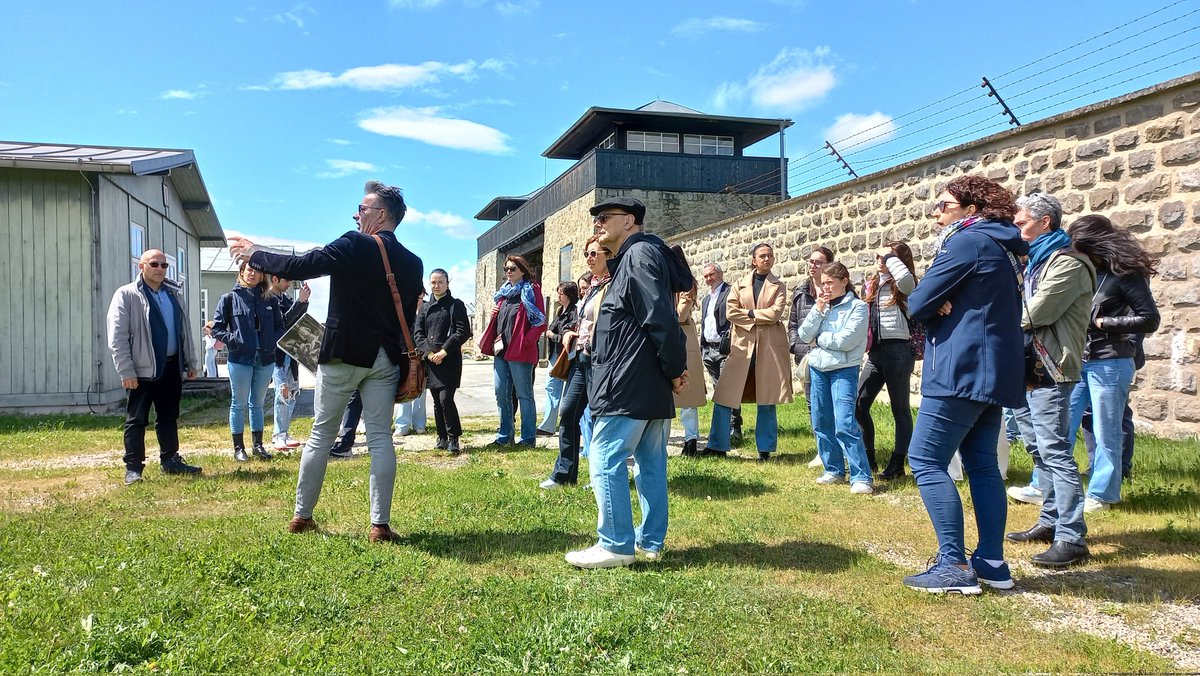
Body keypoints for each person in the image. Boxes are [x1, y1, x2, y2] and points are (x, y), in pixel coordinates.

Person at [229, 179, 423, 543]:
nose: (356, 214)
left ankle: (302, 517)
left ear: (380, 214)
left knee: (321, 435)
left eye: (362, 209)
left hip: (343, 354)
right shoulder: (414, 262)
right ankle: (379, 526)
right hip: (385, 358)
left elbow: (301, 265)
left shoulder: (354, 243)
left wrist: (255, 252)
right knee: (381, 438)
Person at [901, 175, 1028, 594]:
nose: (935, 213)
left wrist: (936, 301)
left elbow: (918, 303)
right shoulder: (1004, 244)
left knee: (925, 460)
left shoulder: (966, 242)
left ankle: (953, 564)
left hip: (961, 367)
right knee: (982, 465)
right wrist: (941, 299)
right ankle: (992, 562)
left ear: (970, 210)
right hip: (994, 370)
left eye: (943, 206)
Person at [565, 197, 690, 568]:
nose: (597, 224)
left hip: (630, 381)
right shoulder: (640, 256)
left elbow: (660, 317)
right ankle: (649, 541)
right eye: (596, 219)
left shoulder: (637, 256)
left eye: (605, 218)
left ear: (630, 221)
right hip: (645, 380)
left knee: (605, 457)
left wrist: (674, 368)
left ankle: (616, 544)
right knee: (650, 461)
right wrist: (672, 369)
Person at [1003, 193, 1096, 568]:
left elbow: (1035, 312)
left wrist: (994, 321)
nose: (1016, 229)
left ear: (1044, 222)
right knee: (1038, 449)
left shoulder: (1068, 263)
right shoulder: (1037, 261)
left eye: (1021, 222)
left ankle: (1072, 538)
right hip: (1026, 365)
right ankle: (1050, 520)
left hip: (1052, 367)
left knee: (1056, 451)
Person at [1066, 214, 1160, 512]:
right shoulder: (1085, 272)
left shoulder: (1125, 274)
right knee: (1061, 425)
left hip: (1110, 360)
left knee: (1107, 429)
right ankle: (1047, 485)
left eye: (1079, 247)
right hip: (1078, 359)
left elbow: (1149, 318)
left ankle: (1102, 494)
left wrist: (1104, 322)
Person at [106, 249, 203, 485]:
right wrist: (126, 371)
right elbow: (117, 337)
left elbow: (184, 331)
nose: (159, 269)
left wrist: (190, 361)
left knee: (169, 417)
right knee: (136, 419)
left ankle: (170, 460)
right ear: (141, 266)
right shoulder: (127, 295)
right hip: (141, 371)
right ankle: (133, 469)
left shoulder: (173, 294)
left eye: (164, 265)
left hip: (171, 367)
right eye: (154, 264)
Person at [704, 243, 793, 462]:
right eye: (763, 255)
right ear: (754, 260)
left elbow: (775, 313)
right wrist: (757, 317)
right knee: (724, 394)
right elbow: (731, 312)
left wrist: (750, 314)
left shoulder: (778, 285)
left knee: (767, 397)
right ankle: (717, 445)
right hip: (742, 346)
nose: (767, 259)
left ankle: (765, 448)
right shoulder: (739, 284)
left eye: (770, 255)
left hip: (768, 347)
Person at [541, 235, 611, 489]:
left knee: (601, 418)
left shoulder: (613, 284)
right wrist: (572, 331)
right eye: (587, 254)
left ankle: (601, 477)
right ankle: (564, 475)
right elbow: (586, 320)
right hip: (580, 358)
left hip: (600, 360)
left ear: (608, 255)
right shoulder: (591, 286)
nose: (589, 259)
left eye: (595, 253)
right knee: (568, 411)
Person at [798, 262, 872, 492]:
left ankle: (861, 476)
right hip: (819, 368)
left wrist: (820, 339)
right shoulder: (822, 306)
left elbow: (846, 341)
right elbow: (803, 334)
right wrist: (818, 311)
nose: (826, 287)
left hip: (843, 370)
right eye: (823, 283)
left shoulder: (858, 308)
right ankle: (833, 469)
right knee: (821, 421)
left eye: (830, 282)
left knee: (844, 422)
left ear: (844, 281)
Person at [855, 241, 918, 480]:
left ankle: (897, 463)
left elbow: (907, 283)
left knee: (899, 409)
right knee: (859, 405)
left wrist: (892, 259)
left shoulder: (905, 283)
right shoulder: (871, 283)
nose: (880, 260)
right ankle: (868, 458)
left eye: (888, 256)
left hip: (898, 350)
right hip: (876, 352)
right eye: (879, 255)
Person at [212, 262, 283, 462]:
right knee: (238, 403)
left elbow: (280, 326)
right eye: (248, 270)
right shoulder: (229, 299)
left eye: (257, 271)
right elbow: (217, 328)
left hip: (265, 359)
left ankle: (258, 446)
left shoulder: (271, 300)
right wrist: (235, 340)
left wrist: (272, 342)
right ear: (241, 272)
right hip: (240, 359)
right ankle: (238, 448)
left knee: (257, 403)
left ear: (262, 276)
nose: (252, 273)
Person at [479, 255, 546, 447]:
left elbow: (540, 321)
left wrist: (526, 341)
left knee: (524, 395)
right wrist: (493, 313)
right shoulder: (503, 294)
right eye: (506, 269)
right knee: (501, 393)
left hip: (521, 352)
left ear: (523, 270)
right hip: (502, 351)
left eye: (512, 269)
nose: (508, 272)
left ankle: (527, 438)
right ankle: (504, 435)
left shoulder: (531, 290)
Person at [413, 268, 471, 454]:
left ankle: (454, 437)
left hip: (449, 359)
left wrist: (444, 351)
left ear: (447, 283)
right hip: (430, 360)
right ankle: (442, 437)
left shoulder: (456, 305)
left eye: (440, 282)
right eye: (433, 282)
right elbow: (418, 334)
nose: (436, 285)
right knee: (437, 401)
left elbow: (461, 331)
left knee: (446, 399)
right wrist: (429, 354)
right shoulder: (424, 308)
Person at [788, 245, 835, 468]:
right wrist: (797, 347)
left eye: (818, 261)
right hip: (808, 357)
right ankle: (822, 450)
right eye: (810, 261)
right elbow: (793, 325)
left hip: (833, 358)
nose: (812, 265)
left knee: (835, 405)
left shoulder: (838, 291)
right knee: (813, 405)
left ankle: (839, 449)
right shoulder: (800, 292)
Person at [697, 263, 742, 445]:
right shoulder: (706, 299)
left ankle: (735, 427)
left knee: (727, 390)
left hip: (724, 349)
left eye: (711, 275)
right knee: (718, 390)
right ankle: (723, 429)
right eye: (706, 276)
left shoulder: (730, 292)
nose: (709, 279)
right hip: (708, 349)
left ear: (720, 274)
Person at [671, 245, 707, 457]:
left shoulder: (686, 283)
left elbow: (681, 313)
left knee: (688, 393)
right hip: (670, 335)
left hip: (683, 337)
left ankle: (691, 439)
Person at [270, 277, 311, 452]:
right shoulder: (269, 300)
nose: (288, 285)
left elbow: (297, 320)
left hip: (291, 353)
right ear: (274, 279)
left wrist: (304, 301)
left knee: (292, 392)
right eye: (286, 281)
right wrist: (299, 302)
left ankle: (284, 432)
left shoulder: (285, 299)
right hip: (277, 355)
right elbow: (282, 324)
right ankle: (278, 435)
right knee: (282, 392)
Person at [537, 282, 580, 436]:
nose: (558, 296)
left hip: (563, 356)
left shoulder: (574, 312)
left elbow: (566, 335)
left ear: (568, 294)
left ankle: (549, 426)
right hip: (555, 354)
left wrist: (551, 335)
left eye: (561, 293)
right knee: (552, 389)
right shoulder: (561, 310)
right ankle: (549, 424)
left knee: (554, 389)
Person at [395, 290, 428, 438]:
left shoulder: (428, 309)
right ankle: (402, 425)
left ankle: (419, 424)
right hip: (404, 354)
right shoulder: (402, 307)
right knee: (405, 389)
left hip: (422, 354)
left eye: (419, 296)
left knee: (421, 390)